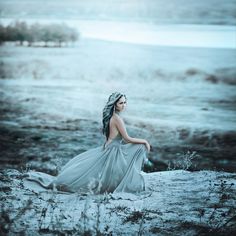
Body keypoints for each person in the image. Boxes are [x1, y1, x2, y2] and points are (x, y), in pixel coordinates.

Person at [25, 92, 151, 194]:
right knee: (139, 146)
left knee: (101, 173)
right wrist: (144, 141)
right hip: (114, 150)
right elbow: (127, 139)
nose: (124, 105)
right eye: (121, 103)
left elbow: (110, 138)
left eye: (125, 102)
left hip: (110, 148)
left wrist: (108, 145)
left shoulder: (111, 117)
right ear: (115, 104)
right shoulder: (117, 119)